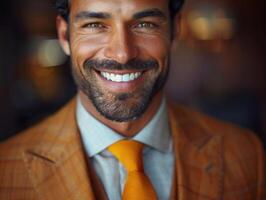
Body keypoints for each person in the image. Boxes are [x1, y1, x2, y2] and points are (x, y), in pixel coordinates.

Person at [0, 0, 265, 199]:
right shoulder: (6, 170)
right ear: (64, 36)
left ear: (174, 31)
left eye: (145, 24)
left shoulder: (246, 154)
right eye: (95, 25)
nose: (122, 53)